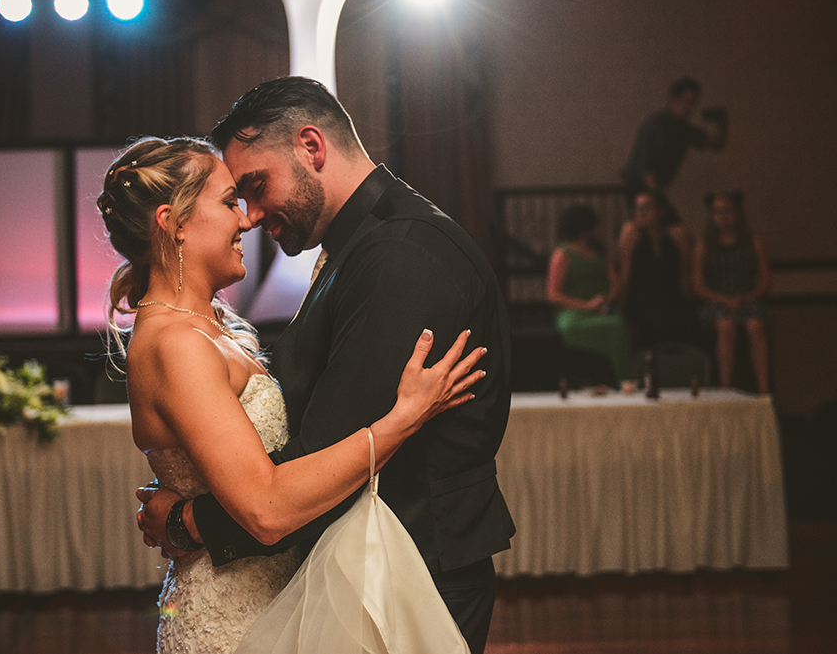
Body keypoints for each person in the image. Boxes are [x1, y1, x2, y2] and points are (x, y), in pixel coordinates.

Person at [137, 77, 515, 653]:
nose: (253, 215)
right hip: (365, 572)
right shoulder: (361, 244)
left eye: (256, 186)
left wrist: (191, 522)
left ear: (312, 147)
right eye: (236, 198)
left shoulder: (398, 256)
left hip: (408, 577)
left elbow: (322, 459)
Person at [619, 76, 728, 224]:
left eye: (694, 102)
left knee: (669, 231)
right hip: (638, 189)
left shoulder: (685, 130)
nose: (690, 108)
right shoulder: (655, 125)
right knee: (669, 229)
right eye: (686, 101)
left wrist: (722, 122)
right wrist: (657, 199)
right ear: (673, 100)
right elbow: (646, 169)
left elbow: (717, 144)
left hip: (653, 190)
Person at [692, 191, 771, 393]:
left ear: (738, 214)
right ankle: (725, 387)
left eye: (727, 211)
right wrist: (723, 299)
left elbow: (765, 281)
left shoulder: (753, 242)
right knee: (726, 327)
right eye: (717, 212)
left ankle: (763, 389)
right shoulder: (704, 245)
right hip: (716, 301)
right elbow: (698, 286)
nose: (722, 217)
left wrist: (747, 297)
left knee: (755, 326)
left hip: (747, 298)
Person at [546, 204, 631, 381]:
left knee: (616, 324)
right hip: (574, 312)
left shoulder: (599, 252)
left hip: (602, 309)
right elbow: (553, 294)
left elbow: (614, 282)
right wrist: (587, 305)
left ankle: (621, 379)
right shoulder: (562, 254)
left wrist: (606, 300)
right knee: (573, 327)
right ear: (585, 228)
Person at [619, 190, 702, 349]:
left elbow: (685, 273)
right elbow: (625, 274)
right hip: (642, 298)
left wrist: (691, 299)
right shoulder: (631, 233)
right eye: (637, 208)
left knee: (685, 319)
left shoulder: (678, 234)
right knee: (655, 320)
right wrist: (621, 308)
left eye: (647, 208)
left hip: (672, 296)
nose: (640, 213)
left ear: (661, 210)